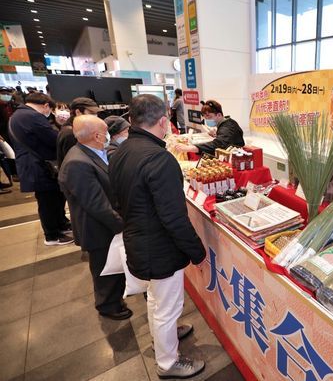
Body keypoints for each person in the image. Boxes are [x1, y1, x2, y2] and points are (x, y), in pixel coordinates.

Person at [109, 94, 207, 379]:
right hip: (159, 248)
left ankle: (164, 334)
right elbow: (175, 218)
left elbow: (117, 201)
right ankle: (167, 363)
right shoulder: (159, 159)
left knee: (156, 300)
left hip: (138, 241)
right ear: (163, 121)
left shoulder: (121, 150)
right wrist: (197, 253)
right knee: (167, 304)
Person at [58, 115, 130, 320]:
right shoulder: (77, 163)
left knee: (111, 266)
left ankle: (114, 299)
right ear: (98, 135)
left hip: (104, 224)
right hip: (97, 228)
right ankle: (108, 305)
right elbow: (97, 205)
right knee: (103, 269)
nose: (109, 134)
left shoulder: (92, 152)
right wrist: (122, 226)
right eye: (106, 130)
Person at [8, 92, 73, 245]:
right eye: (49, 110)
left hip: (34, 164)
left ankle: (61, 224)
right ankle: (52, 235)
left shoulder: (18, 115)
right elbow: (53, 139)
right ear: (45, 106)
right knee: (48, 201)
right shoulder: (33, 117)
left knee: (54, 198)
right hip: (39, 166)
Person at [174, 100, 244, 156]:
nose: (207, 119)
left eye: (209, 117)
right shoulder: (226, 123)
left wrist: (191, 148)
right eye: (205, 117)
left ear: (219, 115)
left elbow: (218, 144)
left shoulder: (228, 127)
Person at [57, 97, 103, 168]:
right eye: (91, 113)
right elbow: (73, 163)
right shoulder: (70, 133)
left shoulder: (75, 129)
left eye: (96, 113)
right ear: (78, 112)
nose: (95, 116)